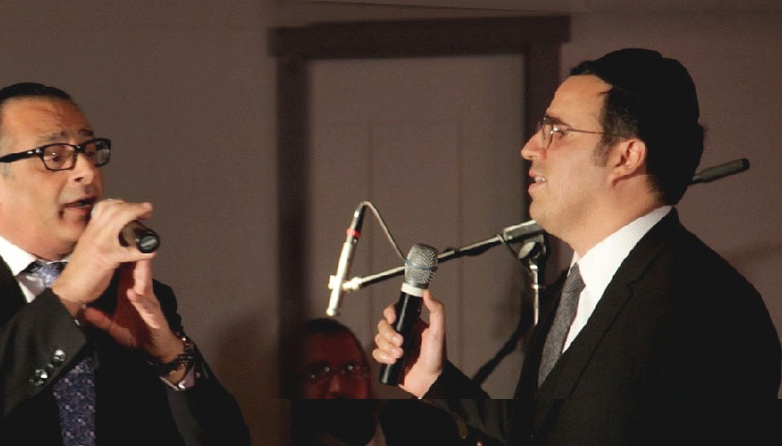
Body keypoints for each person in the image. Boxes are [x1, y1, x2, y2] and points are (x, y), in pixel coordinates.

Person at [372, 48, 782, 445]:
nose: (530, 147)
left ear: (626, 157)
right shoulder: (571, 290)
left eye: (558, 131)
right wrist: (435, 380)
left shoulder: (710, 305)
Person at [0, 82, 250, 445]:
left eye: (89, 150)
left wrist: (168, 358)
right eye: (54, 156)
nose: (87, 172)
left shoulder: (136, 297)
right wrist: (67, 295)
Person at [288, 318, 480, 446]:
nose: (339, 386)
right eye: (319, 373)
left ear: (368, 378)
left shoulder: (425, 426)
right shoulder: (276, 434)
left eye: (350, 370)